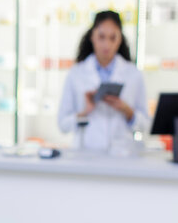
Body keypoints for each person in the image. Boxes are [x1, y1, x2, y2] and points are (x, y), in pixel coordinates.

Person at [58, 10, 149, 151]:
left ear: (120, 39)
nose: (107, 44)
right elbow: (63, 124)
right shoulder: (76, 73)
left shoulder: (133, 74)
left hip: (122, 154)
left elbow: (146, 125)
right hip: (86, 153)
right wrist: (84, 112)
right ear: (92, 36)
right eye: (101, 37)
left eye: (113, 38)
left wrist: (127, 110)